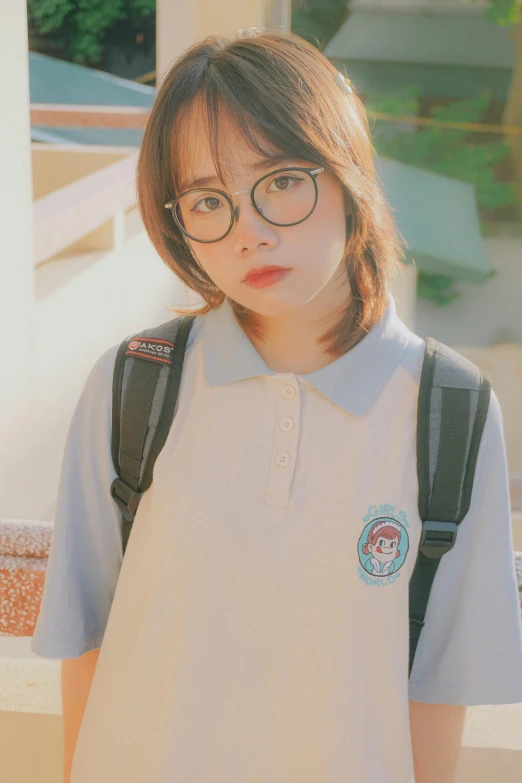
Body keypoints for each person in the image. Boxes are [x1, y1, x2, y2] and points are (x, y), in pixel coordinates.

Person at [30, 29, 522, 783]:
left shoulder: (447, 413)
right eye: (207, 200)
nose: (249, 232)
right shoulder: (134, 385)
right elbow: (87, 645)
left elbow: (435, 694)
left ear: (347, 168)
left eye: (281, 179)